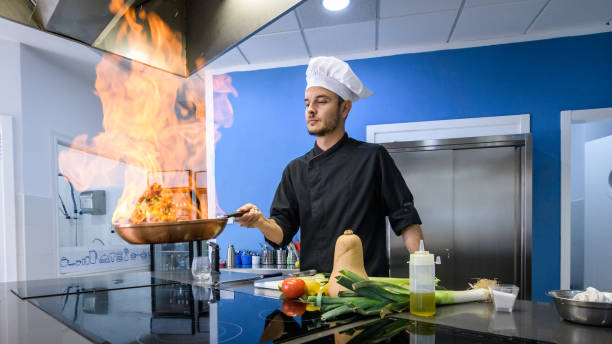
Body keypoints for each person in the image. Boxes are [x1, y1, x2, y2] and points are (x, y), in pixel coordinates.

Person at [236, 56, 423, 276]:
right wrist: (260, 222)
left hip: (367, 291)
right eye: (307, 103)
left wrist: (423, 272)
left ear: (345, 108)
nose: (311, 110)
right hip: (317, 293)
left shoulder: (373, 158)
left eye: (321, 101)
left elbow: (405, 219)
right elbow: (281, 233)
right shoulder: (296, 170)